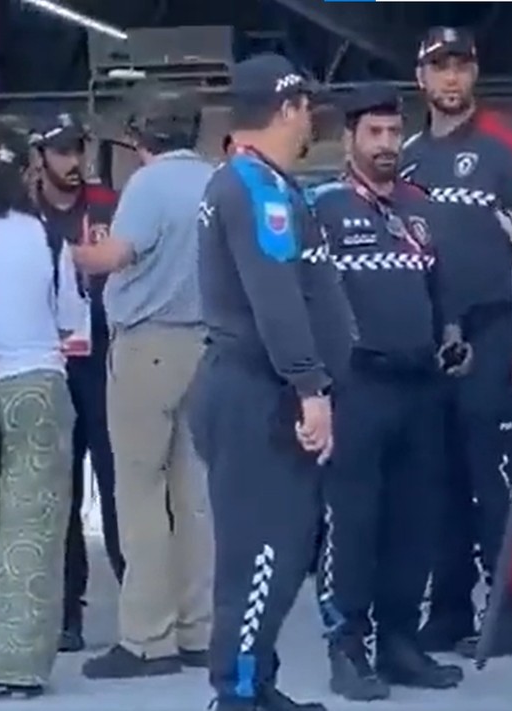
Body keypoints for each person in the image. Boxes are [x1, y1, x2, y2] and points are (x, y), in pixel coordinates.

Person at [188, 53, 353, 711]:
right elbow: (275, 297)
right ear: (286, 108)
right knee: (260, 555)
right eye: (305, 106)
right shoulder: (252, 187)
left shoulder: (271, 185)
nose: (310, 119)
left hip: (269, 388)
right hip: (258, 392)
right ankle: (236, 692)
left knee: (283, 551)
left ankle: (257, 681)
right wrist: (311, 387)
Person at [310, 84, 466, 701]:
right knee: (352, 524)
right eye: (373, 133)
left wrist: (453, 331)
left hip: (422, 387)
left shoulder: (421, 207)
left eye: (393, 134)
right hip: (357, 386)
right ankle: (346, 649)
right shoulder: (321, 207)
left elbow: (442, 288)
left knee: (414, 523)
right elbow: (306, 295)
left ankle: (399, 643)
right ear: (348, 139)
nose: (385, 145)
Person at [401, 25, 512, 659]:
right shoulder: (403, 157)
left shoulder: (508, 149)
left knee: (498, 478)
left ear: (474, 73)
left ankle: (507, 611)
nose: (450, 78)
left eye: (460, 66)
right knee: (439, 482)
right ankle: (449, 608)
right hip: (426, 339)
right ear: (421, 77)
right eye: (439, 67)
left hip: (496, 331)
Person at [74, 91, 215, 679]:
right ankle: (197, 630)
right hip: (207, 346)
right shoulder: (217, 180)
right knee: (195, 495)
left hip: (148, 346)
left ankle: (147, 638)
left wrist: (79, 252)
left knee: (138, 492)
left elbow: (119, 254)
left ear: (142, 140)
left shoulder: (148, 186)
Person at [0, 120, 86, 700]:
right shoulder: (46, 235)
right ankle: (19, 667)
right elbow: (69, 318)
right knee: (32, 529)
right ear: (24, 174)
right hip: (38, 383)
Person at [28, 111, 125, 653]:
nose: (74, 161)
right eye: (62, 151)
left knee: (117, 486)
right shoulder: (22, 215)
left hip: (107, 361)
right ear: (40, 158)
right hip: (51, 362)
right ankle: (68, 612)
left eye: (78, 149)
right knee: (60, 490)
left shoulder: (112, 204)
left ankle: (139, 606)